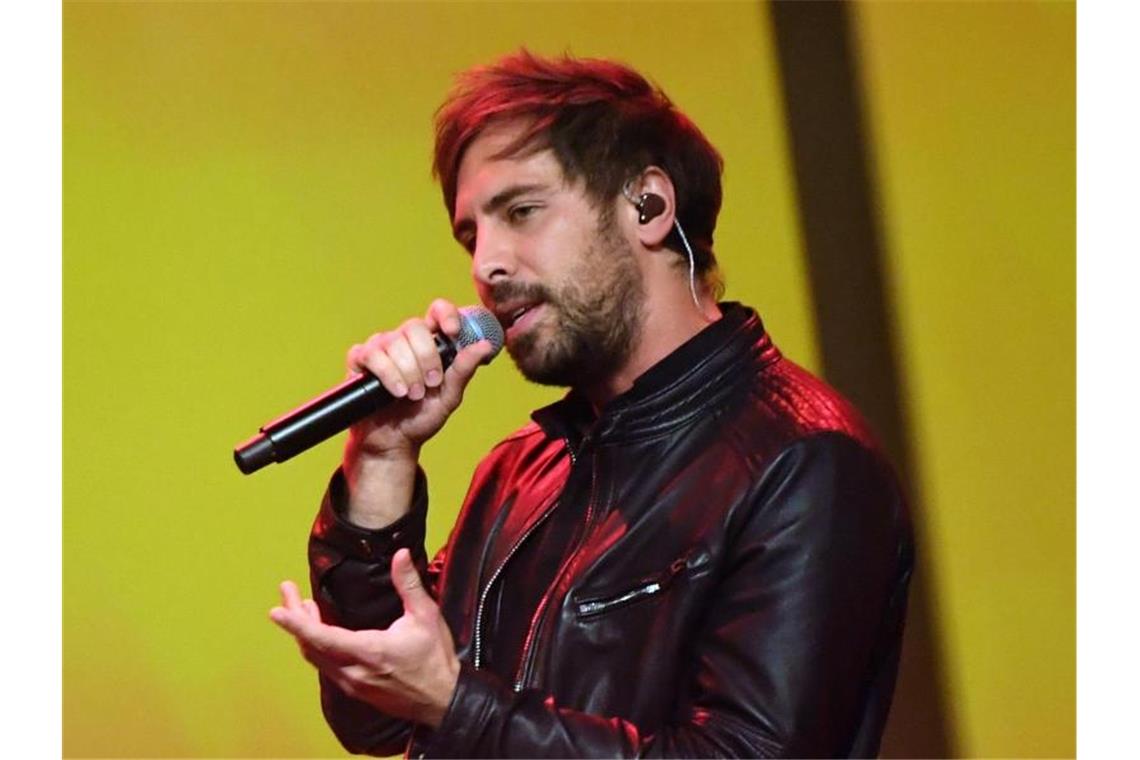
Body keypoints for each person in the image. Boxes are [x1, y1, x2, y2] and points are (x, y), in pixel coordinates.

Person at [269, 51, 913, 758]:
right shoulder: (518, 473)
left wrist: (459, 705)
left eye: (521, 211)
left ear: (649, 206)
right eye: (470, 235)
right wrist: (383, 457)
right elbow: (377, 719)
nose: (487, 265)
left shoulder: (804, 465)